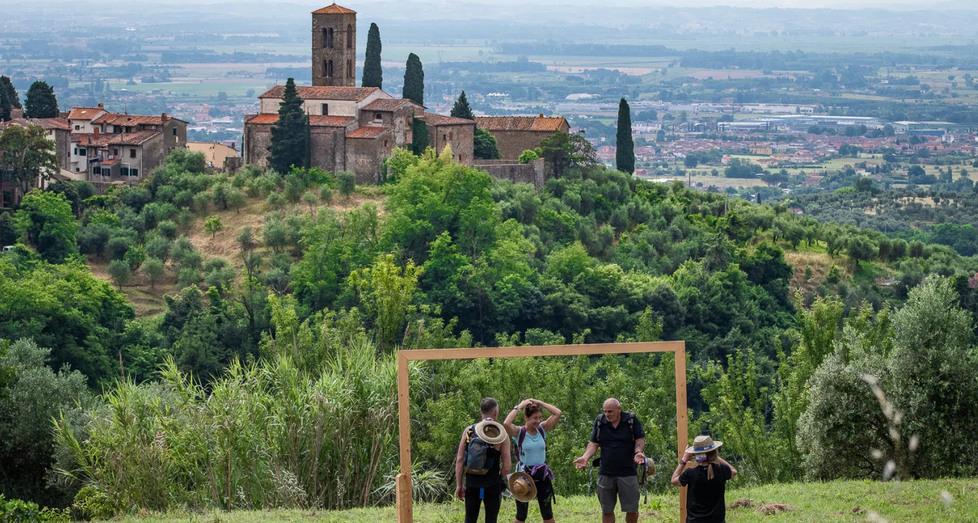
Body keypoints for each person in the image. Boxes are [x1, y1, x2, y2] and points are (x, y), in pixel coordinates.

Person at [573, 398, 646, 523]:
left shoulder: (631, 420)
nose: (607, 414)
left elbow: (640, 439)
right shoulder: (600, 421)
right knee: (606, 510)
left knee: (632, 510)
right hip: (606, 472)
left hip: (628, 472)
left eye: (610, 411)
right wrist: (585, 457)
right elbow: (593, 443)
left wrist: (638, 452)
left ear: (619, 409)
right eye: (605, 411)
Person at [502, 398, 563, 523]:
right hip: (523, 477)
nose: (538, 421)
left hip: (542, 475)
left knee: (548, 514)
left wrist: (540, 403)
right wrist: (520, 406)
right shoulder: (519, 432)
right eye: (535, 418)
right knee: (521, 515)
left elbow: (557, 413)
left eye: (539, 417)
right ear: (526, 417)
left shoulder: (542, 429)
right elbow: (506, 423)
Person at [456, 397, 512, 523]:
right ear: (495, 412)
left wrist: (459, 485)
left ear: (481, 412)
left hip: (472, 482)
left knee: (470, 519)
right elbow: (507, 466)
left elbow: (460, 460)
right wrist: (498, 479)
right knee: (491, 519)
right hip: (492, 484)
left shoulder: (469, 431)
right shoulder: (501, 434)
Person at [670, 435, 737, 523]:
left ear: (696, 455)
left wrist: (684, 460)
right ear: (714, 452)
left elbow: (674, 480)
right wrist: (715, 456)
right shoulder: (722, 470)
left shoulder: (690, 473)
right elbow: (734, 471)